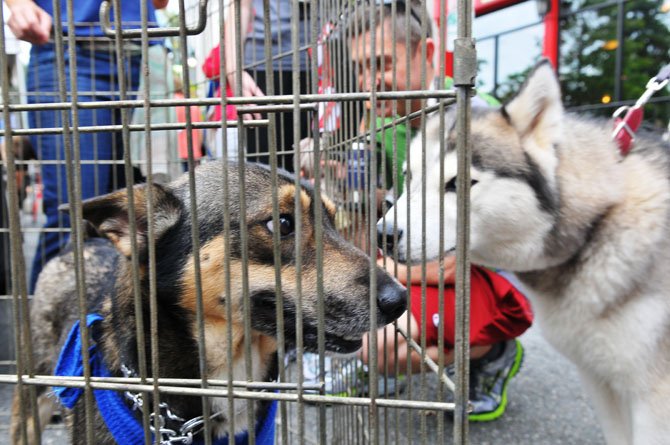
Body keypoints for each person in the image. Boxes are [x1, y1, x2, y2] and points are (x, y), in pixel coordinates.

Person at [349, 1, 533, 421]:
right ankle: (421, 343)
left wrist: (379, 270)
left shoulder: (475, 120)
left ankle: (495, 349)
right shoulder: (387, 123)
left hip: (490, 271)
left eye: (381, 64)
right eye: (359, 69)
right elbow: (378, 210)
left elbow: (454, 263)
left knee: (378, 338)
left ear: (427, 54)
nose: (368, 82)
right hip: (428, 259)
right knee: (368, 319)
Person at [6, 0, 168, 291]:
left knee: (107, 213)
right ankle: (47, 330)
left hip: (130, 51)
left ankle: (90, 324)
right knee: (75, 214)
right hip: (66, 44)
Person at [223, 0, 313, 172]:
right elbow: (241, 4)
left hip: (323, 59)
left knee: (317, 167)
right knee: (265, 173)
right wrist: (233, 69)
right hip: (263, 64)